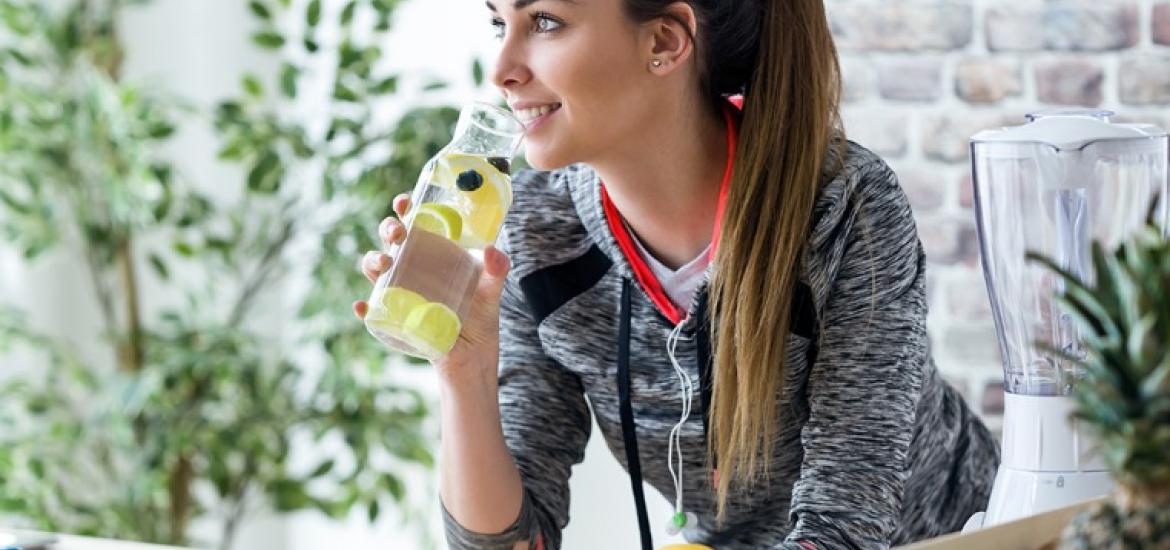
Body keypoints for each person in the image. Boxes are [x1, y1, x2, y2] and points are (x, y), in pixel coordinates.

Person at [353, 0, 1000, 548]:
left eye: (544, 21)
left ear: (664, 41)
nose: (502, 71)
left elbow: (844, 525)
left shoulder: (840, 206)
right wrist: (463, 369)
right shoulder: (537, 234)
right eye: (499, 23)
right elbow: (518, 541)